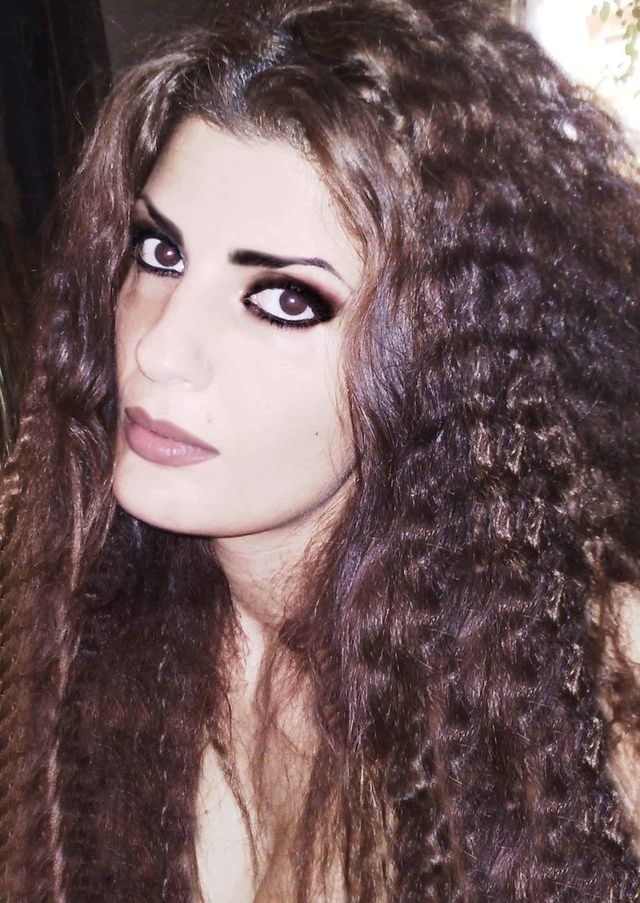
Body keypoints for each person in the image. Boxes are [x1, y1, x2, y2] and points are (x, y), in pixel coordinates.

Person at [1, 0, 639, 900]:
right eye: (160, 251)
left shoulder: (588, 685)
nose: (160, 350)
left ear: (441, 359)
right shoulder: (83, 611)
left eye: (285, 299)